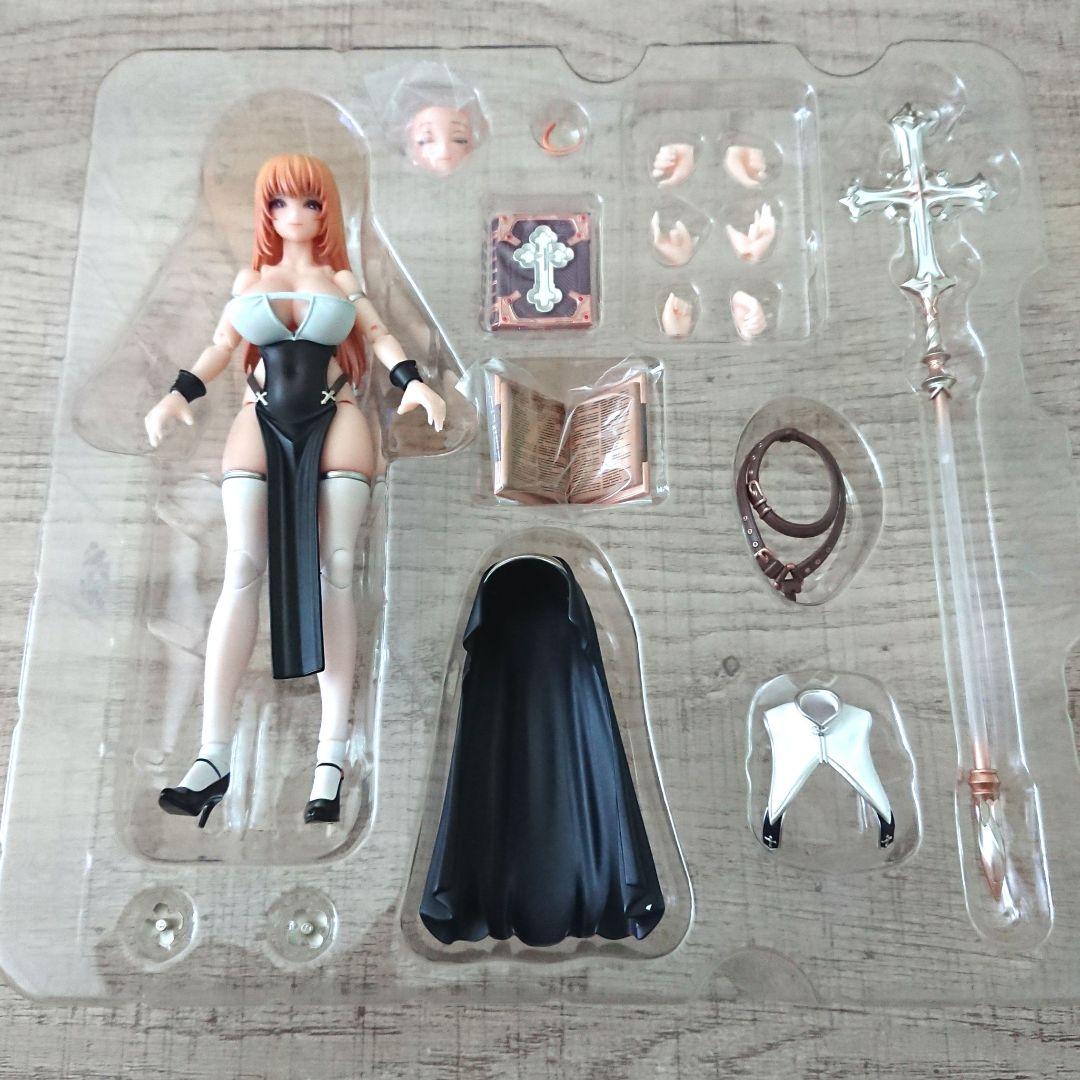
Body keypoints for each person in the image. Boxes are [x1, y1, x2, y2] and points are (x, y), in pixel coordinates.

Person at [144, 153, 445, 827]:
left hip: (337, 417)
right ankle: (213, 755)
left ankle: (330, 760)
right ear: (265, 212)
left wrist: (414, 384)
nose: (296, 215)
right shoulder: (249, 279)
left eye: (310, 202)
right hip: (259, 419)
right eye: (280, 203)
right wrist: (177, 396)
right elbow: (219, 346)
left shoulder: (342, 281)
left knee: (337, 570)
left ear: (327, 210)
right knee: (241, 569)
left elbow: (381, 336)